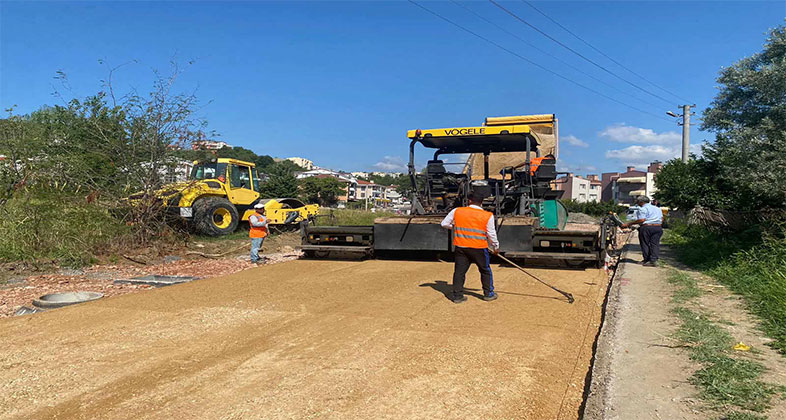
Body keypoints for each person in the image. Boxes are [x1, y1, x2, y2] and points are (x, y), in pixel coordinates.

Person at [440, 193, 500, 303]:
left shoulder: (457, 211)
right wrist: (495, 247)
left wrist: (455, 227)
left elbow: (444, 224)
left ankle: (458, 296)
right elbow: (491, 234)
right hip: (479, 248)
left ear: (469, 201)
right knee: (485, 270)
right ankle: (488, 294)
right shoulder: (487, 215)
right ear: (481, 202)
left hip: (461, 247)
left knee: (459, 272)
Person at [622, 196, 663, 267]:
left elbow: (642, 220)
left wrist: (629, 224)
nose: (638, 204)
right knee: (655, 244)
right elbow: (662, 219)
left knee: (645, 243)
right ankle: (653, 260)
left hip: (647, 227)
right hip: (658, 227)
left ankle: (647, 259)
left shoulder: (642, 209)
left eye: (638, 202)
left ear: (641, 202)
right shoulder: (657, 208)